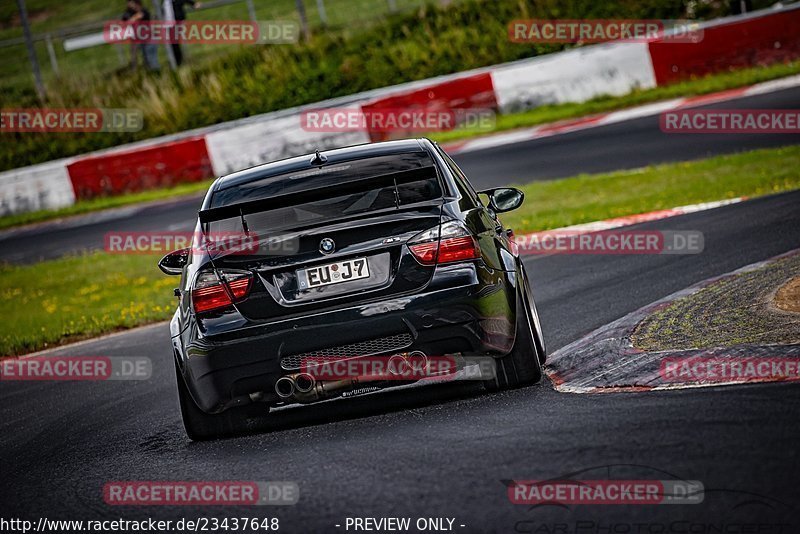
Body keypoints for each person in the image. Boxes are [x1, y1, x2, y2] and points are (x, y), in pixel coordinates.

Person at [122, 0, 160, 71]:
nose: (130, 4)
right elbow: (125, 22)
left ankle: (156, 72)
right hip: (138, 39)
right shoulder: (128, 13)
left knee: (151, 58)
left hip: (149, 38)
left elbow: (143, 16)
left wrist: (135, 18)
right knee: (142, 58)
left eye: (131, 2)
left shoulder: (144, 11)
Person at [168, 0, 201, 66]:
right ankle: (177, 61)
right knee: (174, 42)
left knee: (175, 42)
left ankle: (178, 61)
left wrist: (193, 3)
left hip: (177, 21)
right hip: (170, 22)